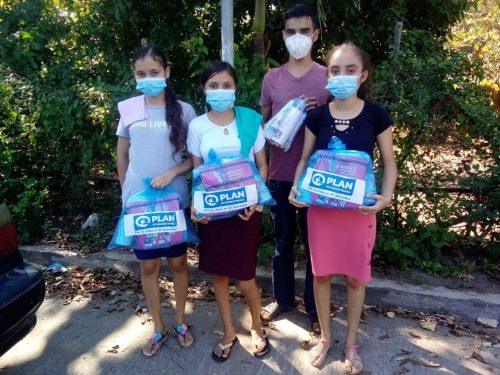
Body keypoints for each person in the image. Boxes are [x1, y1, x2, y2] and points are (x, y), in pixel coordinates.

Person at [289, 41, 398, 371]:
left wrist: (387, 197)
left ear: (362, 75)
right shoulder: (317, 116)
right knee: (321, 276)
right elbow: (305, 159)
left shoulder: (377, 115)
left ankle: (351, 341)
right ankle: (326, 338)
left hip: (358, 214)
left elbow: (390, 163)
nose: (342, 76)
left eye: (350, 70)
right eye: (335, 70)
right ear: (327, 75)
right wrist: (297, 187)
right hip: (321, 213)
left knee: (355, 279)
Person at [116, 44, 197, 357]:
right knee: (148, 267)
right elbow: (122, 155)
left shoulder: (184, 110)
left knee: (178, 263)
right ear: (134, 76)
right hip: (138, 204)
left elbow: (195, 158)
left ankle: (180, 323)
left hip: (172, 202)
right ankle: (158, 328)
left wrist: (172, 171)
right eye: (141, 74)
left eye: (154, 72)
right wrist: (126, 191)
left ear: (166, 72)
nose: (148, 78)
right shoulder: (131, 108)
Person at [187, 61, 271, 362]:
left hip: (247, 209)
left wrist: (257, 201)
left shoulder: (249, 119)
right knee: (219, 276)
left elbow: (262, 163)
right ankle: (228, 331)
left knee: (246, 277)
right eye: (213, 85)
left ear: (235, 88)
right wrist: (197, 207)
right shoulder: (197, 125)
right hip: (213, 212)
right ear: (204, 90)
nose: (220, 90)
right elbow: (197, 172)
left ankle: (257, 328)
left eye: (226, 85)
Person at [259, 3, 330, 334]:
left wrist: (316, 115)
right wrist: (282, 120)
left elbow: (337, 125)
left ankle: (316, 309)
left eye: (304, 31)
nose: (297, 37)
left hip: (317, 178)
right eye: (291, 32)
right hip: (280, 175)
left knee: (316, 245)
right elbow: (262, 128)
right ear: (283, 36)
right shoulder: (271, 79)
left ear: (315, 35)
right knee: (284, 243)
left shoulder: (327, 78)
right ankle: (283, 300)